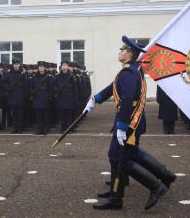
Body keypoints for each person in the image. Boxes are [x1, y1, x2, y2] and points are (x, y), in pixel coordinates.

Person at [86, 35, 175, 211]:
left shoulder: (128, 73)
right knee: (131, 155)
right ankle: (163, 176)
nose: (119, 51)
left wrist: (121, 126)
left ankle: (149, 188)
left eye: (122, 49)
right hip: (134, 120)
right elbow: (114, 86)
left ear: (130, 53)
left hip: (128, 122)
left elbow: (127, 100)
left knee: (119, 158)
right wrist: (96, 99)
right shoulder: (133, 69)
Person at [30, 61, 53, 135]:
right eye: (39, 67)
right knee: (39, 115)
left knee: (46, 115)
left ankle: (45, 129)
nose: (41, 68)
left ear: (44, 68)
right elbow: (31, 87)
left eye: (42, 67)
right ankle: (39, 129)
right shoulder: (34, 77)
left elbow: (51, 88)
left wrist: (49, 97)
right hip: (37, 98)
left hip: (45, 98)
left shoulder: (48, 77)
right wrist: (33, 92)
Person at [5, 59, 27, 134]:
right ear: (13, 65)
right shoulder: (9, 73)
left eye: (18, 64)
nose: (16, 66)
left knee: (20, 113)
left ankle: (20, 128)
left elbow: (26, 85)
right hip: (12, 96)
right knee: (14, 114)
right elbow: (6, 83)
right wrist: (8, 89)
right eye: (15, 64)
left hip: (20, 96)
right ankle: (14, 128)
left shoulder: (23, 74)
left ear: (19, 65)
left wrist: (24, 95)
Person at [54, 60, 76, 133]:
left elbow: (74, 88)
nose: (64, 67)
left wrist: (74, 98)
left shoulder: (71, 76)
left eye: (66, 65)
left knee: (68, 116)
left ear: (68, 67)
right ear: (61, 67)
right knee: (62, 115)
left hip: (69, 98)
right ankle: (62, 129)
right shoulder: (57, 76)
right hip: (61, 98)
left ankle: (68, 129)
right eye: (63, 65)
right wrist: (57, 90)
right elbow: (54, 86)